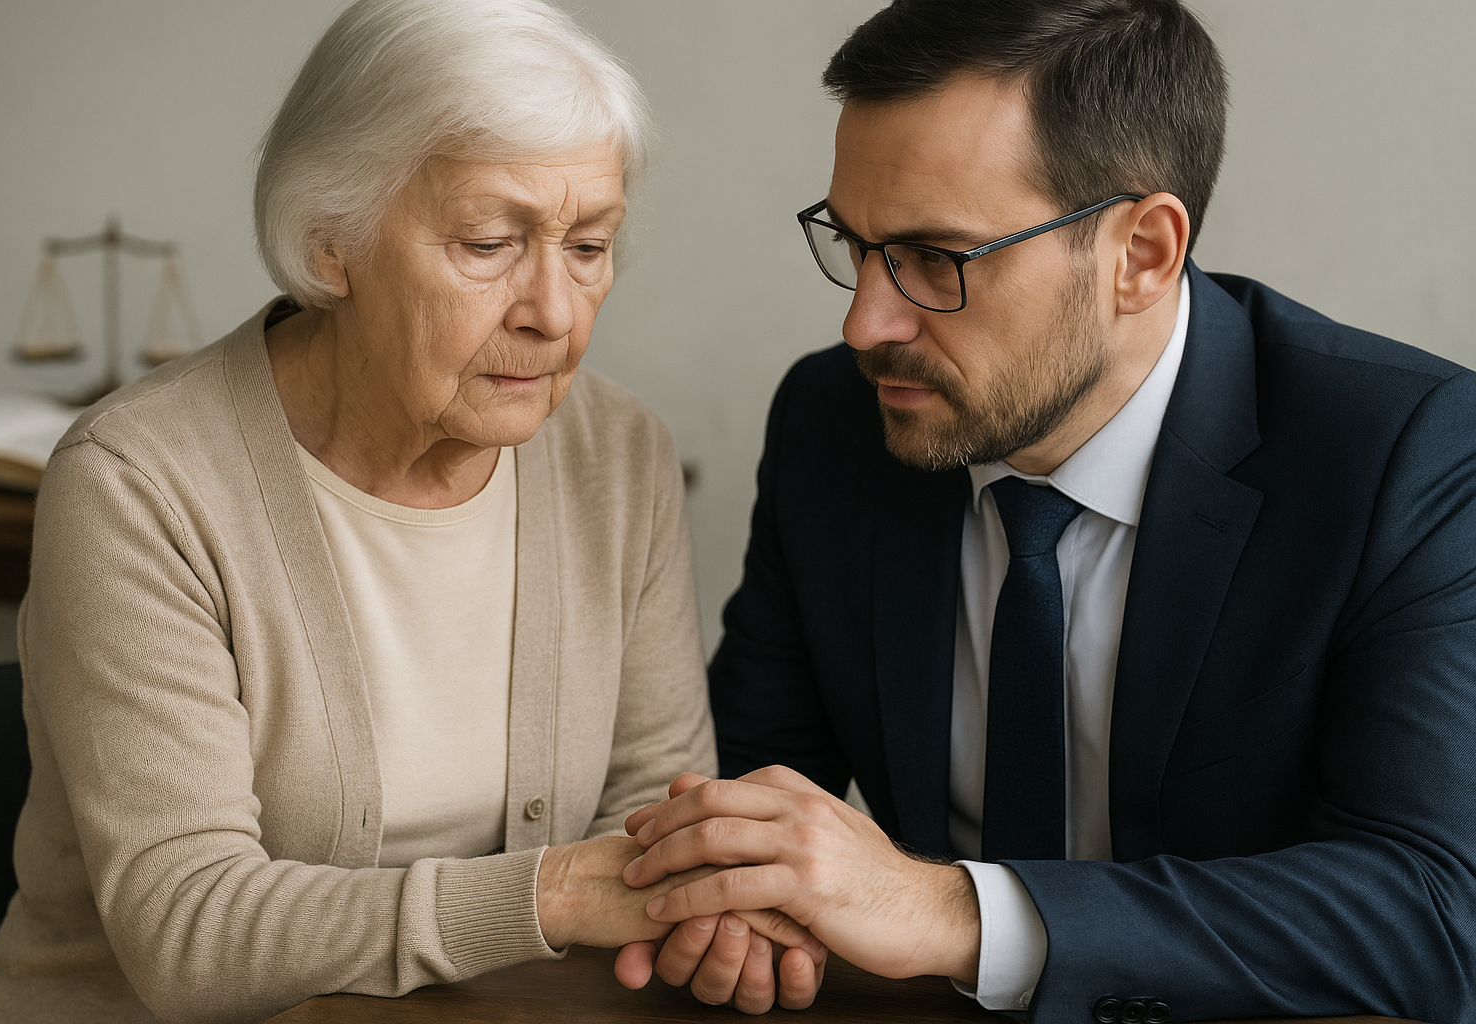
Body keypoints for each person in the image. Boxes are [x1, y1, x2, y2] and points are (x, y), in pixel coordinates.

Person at [620, 1, 1476, 1022]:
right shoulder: (832, 425)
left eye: (936, 258)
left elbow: (1435, 911)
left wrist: (950, 913)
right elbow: (750, 789)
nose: (864, 323)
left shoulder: (1405, 455)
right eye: (855, 244)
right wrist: (734, 905)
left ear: (1142, 253)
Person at [0, 2, 813, 1020]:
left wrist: (707, 910)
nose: (554, 312)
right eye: (488, 243)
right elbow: (191, 930)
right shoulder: (136, 484)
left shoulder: (618, 453)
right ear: (332, 244)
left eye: (589, 246)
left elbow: (651, 809)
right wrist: (550, 896)